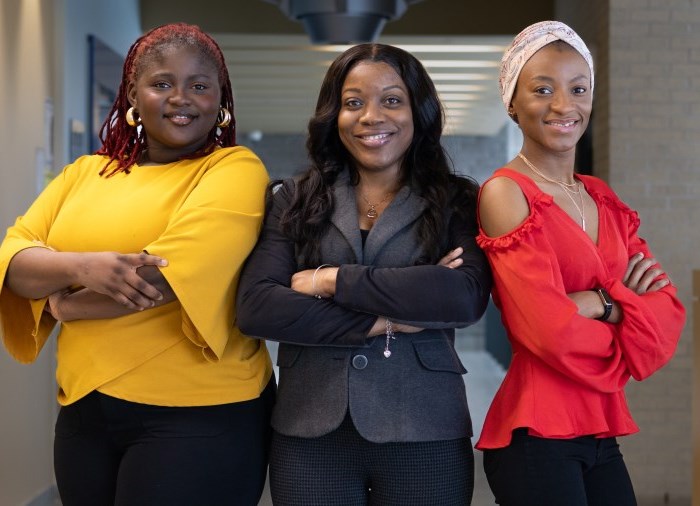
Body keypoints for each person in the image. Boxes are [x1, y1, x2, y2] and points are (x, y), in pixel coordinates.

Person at [0, 23, 275, 506]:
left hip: (198, 415)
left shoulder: (234, 169)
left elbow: (164, 277)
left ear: (220, 98)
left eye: (199, 85)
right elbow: (12, 261)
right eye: (162, 83)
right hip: (84, 412)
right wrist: (84, 268)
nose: (181, 98)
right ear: (133, 94)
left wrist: (63, 304)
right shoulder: (84, 174)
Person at [236, 43, 491, 505]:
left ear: (419, 112)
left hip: (424, 425)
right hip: (309, 428)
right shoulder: (292, 199)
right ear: (334, 115)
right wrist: (387, 319)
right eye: (354, 102)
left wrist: (330, 281)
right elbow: (258, 306)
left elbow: (462, 297)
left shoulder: (455, 199)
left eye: (391, 100)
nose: (371, 116)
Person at [475, 20, 686, 505]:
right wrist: (623, 308)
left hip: (600, 432)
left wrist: (600, 304)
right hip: (535, 436)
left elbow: (666, 320)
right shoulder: (506, 194)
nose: (563, 105)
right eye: (542, 89)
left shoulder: (602, 199)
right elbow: (548, 333)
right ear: (512, 101)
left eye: (578, 89)